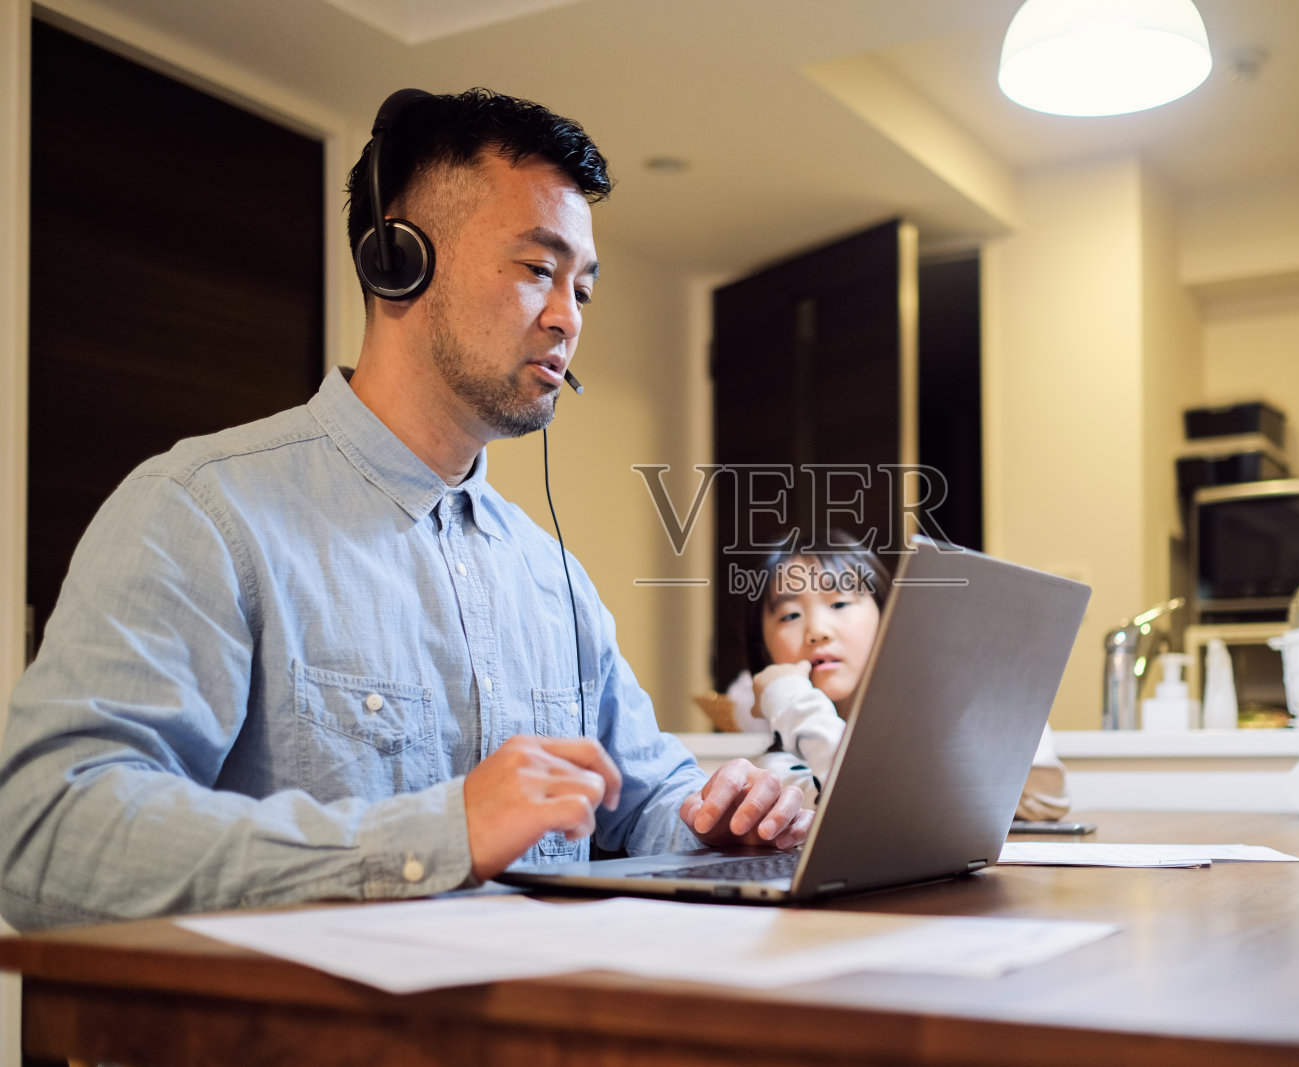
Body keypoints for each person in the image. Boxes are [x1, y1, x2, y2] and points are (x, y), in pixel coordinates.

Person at [0, 88, 808, 932]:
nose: (569, 318)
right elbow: (45, 837)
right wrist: (433, 834)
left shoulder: (554, 579)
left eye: (585, 289)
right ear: (399, 260)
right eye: (539, 269)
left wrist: (719, 818)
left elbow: (642, 797)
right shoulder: (202, 511)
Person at [736, 538, 1073, 817]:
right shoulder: (775, 773)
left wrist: (975, 688)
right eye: (790, 615)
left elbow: (1046, 801)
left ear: (888, 618)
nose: (817, 631)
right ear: (764, 651)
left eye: (839, 604)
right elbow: (861, 809)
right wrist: (791, 699)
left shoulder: (926, 729)